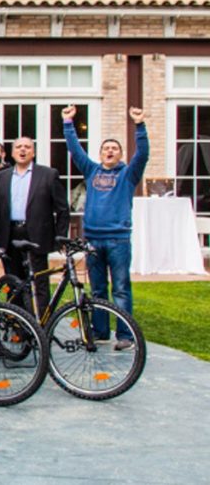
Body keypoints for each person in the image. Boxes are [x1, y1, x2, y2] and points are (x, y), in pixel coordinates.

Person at [63, 104, 148, 351]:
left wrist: (140, 125)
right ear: (100, 154)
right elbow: (75, 151)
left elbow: (142, 155)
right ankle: (100, 332)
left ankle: (125, 336)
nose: (109, 151)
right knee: (97, 289)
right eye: (106, 148)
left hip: (118, 240)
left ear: (120, 154)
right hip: (93, 240)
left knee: (121, 288)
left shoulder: (128, 174)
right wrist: (68, 124)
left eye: (114, 148)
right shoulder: (91, 170)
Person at [0, 137, 70, 321]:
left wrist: (61, 236)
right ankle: (18, 324)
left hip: (37, 234)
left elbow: (62, 208)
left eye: (27, 147)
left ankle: (42, 324)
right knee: (14, 281)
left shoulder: (48, 174)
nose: (23, 150)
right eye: (19, 147)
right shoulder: (2, 176)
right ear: (12, 152)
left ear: (33, 152)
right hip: (10, 234)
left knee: (39, 282)